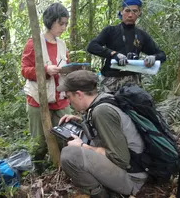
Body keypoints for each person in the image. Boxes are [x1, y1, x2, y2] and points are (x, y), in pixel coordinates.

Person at [57, 70, 147, 198]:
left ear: (79, 94)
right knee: (78, 140)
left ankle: (102, 195)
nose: (68, 102)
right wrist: (80, 121)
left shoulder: (101, 112)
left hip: (132, 178)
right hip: (135, 166)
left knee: (69, 154)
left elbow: (120, 159)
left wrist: (82, 146)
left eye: (68, 97)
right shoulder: (104, 99)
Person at [21, 3, 71, 169]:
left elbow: (67, 65)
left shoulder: (63, 44)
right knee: (39, 141)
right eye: (60, 23)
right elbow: (25, 70)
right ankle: (39, 171)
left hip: (60, 98)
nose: (63, 27)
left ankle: (66, 167)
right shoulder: (34, 42)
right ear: (51, 21)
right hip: (38, 98)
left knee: (67, 135)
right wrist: (45, 70)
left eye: (65, 23)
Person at [87, 0, 166, 93]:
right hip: (110, 80)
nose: (130, 15)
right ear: (121, 11)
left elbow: (162, 54)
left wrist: (154, 57)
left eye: (134, 11)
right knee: (109, 107)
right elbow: (92, 46)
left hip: (133, 81)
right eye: (127, 11)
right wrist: (114, 54)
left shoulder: (141, 35)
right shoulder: (110, 31)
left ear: (139, 13)